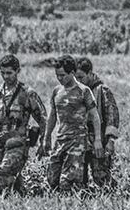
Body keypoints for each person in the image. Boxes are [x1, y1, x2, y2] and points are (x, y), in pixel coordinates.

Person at [0, 54, 47, 195]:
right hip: (0, 145)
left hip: (18, 144)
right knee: (15, 185)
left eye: (9, 73)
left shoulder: (27, 94)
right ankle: (24, 201)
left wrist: (44, 142)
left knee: (2, 176)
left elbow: (43, 119)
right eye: (3, 73)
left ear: (17, 71)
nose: (6, 76)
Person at [39, 55, 104, 192]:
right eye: (57, 75)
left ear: (72, 73)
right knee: (51, 179)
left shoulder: (84, 91)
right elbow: (52, 116)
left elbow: (95, 116)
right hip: (60, 139)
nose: (60, 78)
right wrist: (46, 138)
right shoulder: (57, 91)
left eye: (63, 75)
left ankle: (71, 204)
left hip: (77, 141)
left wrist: (98, 139)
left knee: (68, 182)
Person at [75, 57, 120, 190]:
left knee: (101, 178)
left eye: (81, 77)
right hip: (81, 142)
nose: (78, 81)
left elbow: (112, 117)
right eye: (75, 78)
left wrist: (110, 140)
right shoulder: (76, 91)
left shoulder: (102, 91)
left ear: (90, 73)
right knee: (78, 179)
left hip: (100, 141)